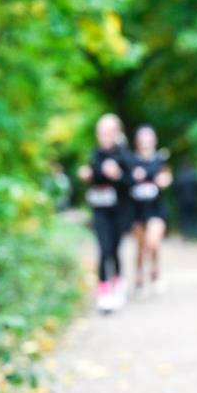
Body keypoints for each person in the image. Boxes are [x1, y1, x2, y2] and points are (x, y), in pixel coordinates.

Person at [77, 113, 132, 313]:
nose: (105, 136)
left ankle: (118, 284)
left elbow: (131, 184)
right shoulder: (94, 154)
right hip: (100, 211)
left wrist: (118, 175)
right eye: (101, 132)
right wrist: (86, 175)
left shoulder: (125, 155)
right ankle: (103, 292)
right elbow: (91, 178)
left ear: (117, 133)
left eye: (109, 132)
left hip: (120, 211)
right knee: (104, 249)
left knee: (115, 250)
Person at [128, 125, 172, 296]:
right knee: (140, 247)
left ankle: (155, 271)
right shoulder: (131, 161)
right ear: (137, 142)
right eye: (142, 139)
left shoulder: (160, 160)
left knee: (152, 242)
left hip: (156, 209)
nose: (146, 142)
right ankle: (139, 278)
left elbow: (167, 176)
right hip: (137, 210)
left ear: (154, 141)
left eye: (149, 138)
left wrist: (164, 180)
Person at [173, 161, 197, 241]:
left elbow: (175, 189)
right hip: (195, 200)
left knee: (184, 218)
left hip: (182, 201)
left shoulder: (179, 176)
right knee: (196, 218)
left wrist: (177, 198)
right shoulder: (195, 175)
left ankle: (186, 235)